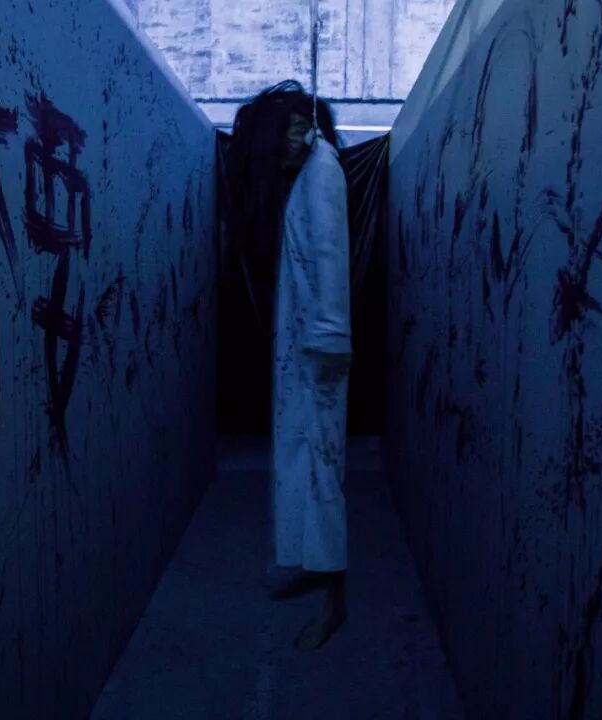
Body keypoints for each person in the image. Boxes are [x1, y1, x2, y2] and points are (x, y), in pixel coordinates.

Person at [229, 81, 353, 650]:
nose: (275, 159)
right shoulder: (310, 172)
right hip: (306, 351)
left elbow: (330, 261)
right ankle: (313, 568)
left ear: (299, 131)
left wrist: (327, 347)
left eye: (277, 143)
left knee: (323, 468)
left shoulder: (322, 172)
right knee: (303, 463)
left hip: (319, 353)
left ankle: (335, 600)